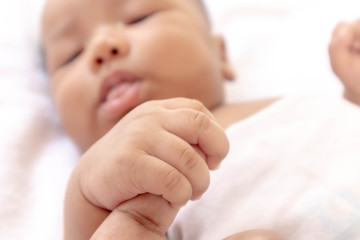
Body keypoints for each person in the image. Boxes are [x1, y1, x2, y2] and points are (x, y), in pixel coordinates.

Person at [41, 0, 360, 238]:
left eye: (139, 17)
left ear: (219, 53)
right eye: (72, 55)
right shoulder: (124, 200)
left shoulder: (301, 102)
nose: (102, 45)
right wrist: (84, 192)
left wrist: (353, 91)